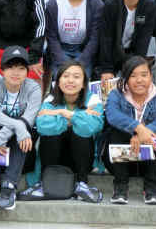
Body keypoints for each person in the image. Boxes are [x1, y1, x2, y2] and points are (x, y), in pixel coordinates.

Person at [26, 61, 103, 203]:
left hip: (82, 159)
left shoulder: (93, 99)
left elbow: (92, 126)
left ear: (84, 83)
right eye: (66, 76)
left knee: (81, 132)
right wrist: (77, 116)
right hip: (54, 158)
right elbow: (43, 126)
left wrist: (62, 114)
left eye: (76, 76)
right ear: (58, 82)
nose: (70, 80)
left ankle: (82, 183)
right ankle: (45, 181)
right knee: (50, 134)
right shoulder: (50, 99)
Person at [104, 56, 156, 205]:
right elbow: (112, 115)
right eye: (133, 76)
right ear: (125, 79)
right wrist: (138, 128)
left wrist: (146, 132)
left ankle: (151, 188)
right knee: (116, 133)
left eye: (144, 75)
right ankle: (120, 187)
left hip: (148, 161)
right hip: (121, 161)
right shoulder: (116, 94)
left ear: (151, 77)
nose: (139, 80)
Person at [0, 46, 42, 211]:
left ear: (27, 71)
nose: (16, 72)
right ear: (3, 70)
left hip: (22, 144)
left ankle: (9, 184)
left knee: (23, 131)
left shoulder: (34, 88)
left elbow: (29, 118)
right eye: (11, 67)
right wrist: (16, 126)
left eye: (21, 68)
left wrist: (11, 131)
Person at [46, 0, 104, 79]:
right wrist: (63, 62)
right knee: (62, 79)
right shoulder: (54, 4)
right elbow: (51, 37)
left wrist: (80, 62)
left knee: (80, 79)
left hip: (83, 50)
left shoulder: (96, 3)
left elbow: (94, 38)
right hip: (60, 49)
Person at [98, 0, 156, 80]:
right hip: (112, 54)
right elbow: (106, 39)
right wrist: (107, 69)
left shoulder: (149, 6)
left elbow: (144, 39)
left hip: (134, 53)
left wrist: (135, 66)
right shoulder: (111, 5)